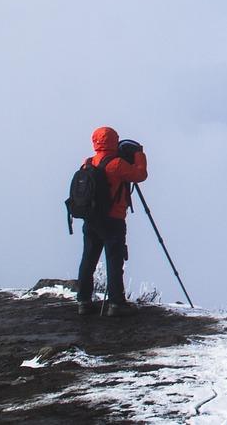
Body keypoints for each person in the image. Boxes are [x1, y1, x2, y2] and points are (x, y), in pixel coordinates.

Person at [76, 126, 148, 316]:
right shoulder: (117, 164)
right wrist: (139, 154)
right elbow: (140, 175)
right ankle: (116, 304)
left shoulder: (88, 163)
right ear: (114, 141)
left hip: (91, 220)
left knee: (88, 260)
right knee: (114, 262)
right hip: (113, 220)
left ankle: (83, 301)